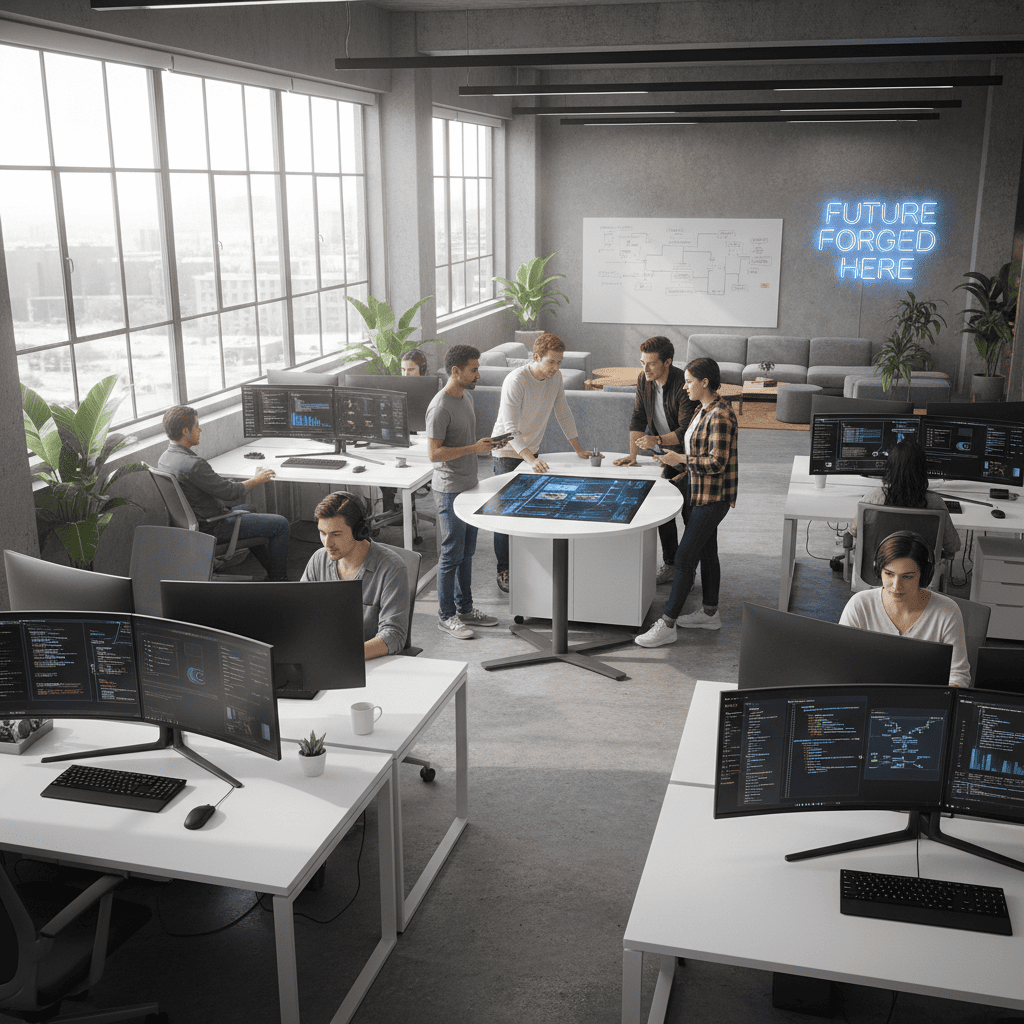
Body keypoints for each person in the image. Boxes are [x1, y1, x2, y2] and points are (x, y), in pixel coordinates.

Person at [634, 357, 738, 647]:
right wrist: (675, 476)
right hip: (696, 490)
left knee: (683, 558)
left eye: (690, 381)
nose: (685, 386)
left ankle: (668, 624)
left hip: (712, 497)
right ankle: (709, 614)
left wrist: (679, 459)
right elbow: (693, 450)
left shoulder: (720, 415)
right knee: (707, 552)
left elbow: (717, 462)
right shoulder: (700, 410)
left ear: (705, 383)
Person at [489, 332, 592, 592]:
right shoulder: (516, 381)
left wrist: (578, 448)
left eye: (559, 363)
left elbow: (563, 412)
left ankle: (527, 563)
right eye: (551, 363)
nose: (556, 368)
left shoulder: (554, 378)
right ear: (536, 357)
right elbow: (510, 427)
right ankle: (504, 569)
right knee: (505, 515)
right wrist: (530, 458)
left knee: (530, 510)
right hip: (507, 453)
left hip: (531, 450)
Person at [157, 405, 290, 581]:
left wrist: (240, 482)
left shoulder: (165, 458)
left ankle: (271, 572)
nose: (200, 429)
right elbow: (230, 493)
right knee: (281, 524)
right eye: (196, 426)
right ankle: (280, 580)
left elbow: (218, 486)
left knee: (250, 509)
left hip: (191, 525)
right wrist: (257, 479)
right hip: (213, 527)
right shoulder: (193, 464)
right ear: (185, 431)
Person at [426, 344, 501, 639]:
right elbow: (433, 454)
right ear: (456, 371)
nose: (478, 374)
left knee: (467, 553)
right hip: (449, 491)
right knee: (450, 555)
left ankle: (466, 609)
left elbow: (462, 442)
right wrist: (473, 448)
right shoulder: (440, 407)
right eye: (474, 369)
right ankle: (446, 616)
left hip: (470, 486)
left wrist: (480, 445)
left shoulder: (466, 397)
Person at [613, 336, 699, 585]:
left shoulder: (684, 384)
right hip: (665, 456)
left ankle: (688, 570)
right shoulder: (644, 379)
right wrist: (633, 455)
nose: (645, 368)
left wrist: (656, 440)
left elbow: (685, 430)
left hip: (687, 456)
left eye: (651, 363)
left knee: (689, 515)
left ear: (668, 362)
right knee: (665, 512)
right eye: (642, 362)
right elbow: (638, 417)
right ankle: (672, 565)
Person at [839, 531, 971, 687]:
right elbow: (841, 667)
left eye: (907, 576)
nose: (896, 586)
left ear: (924, 576)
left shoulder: (947, 611)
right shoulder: (860, 605)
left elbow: (958, 675)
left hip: (925, 703)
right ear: (878, 570)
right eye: (889, 574)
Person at [299, 491, 409, 660]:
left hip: (369, 662)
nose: (327, 543)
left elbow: (394, 635)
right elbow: (301, 612)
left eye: (336, 534)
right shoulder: (318, 559)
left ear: (360, 531)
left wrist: (344, 655)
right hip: (325, 656)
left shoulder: (392, 568)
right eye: (322, 532)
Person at [850, 438, 960, 558]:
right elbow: (953, 546)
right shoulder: (935, 502)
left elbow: (854, 531)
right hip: (919, 572)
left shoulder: (873, 497)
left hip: (881, 569)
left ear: (890, 467)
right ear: (922, 470)